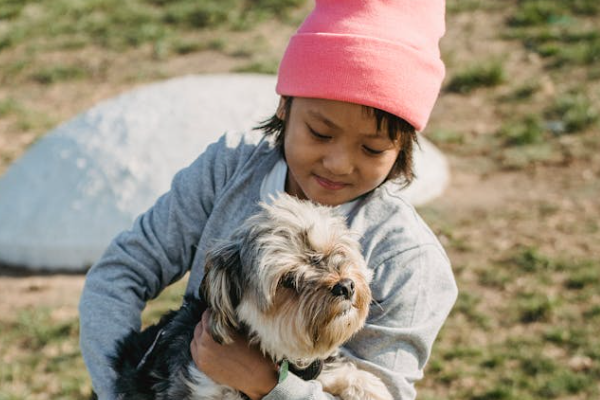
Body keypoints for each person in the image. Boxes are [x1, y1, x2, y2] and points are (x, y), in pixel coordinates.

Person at [79, 0, 458, 399]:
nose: (339, 163)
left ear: (403, 149)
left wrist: (266, 385)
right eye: (320, 133)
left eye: (372, 148)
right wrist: (119, 389)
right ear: (284, 105)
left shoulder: (409, 260)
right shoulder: (228, 172)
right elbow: (119, 274)